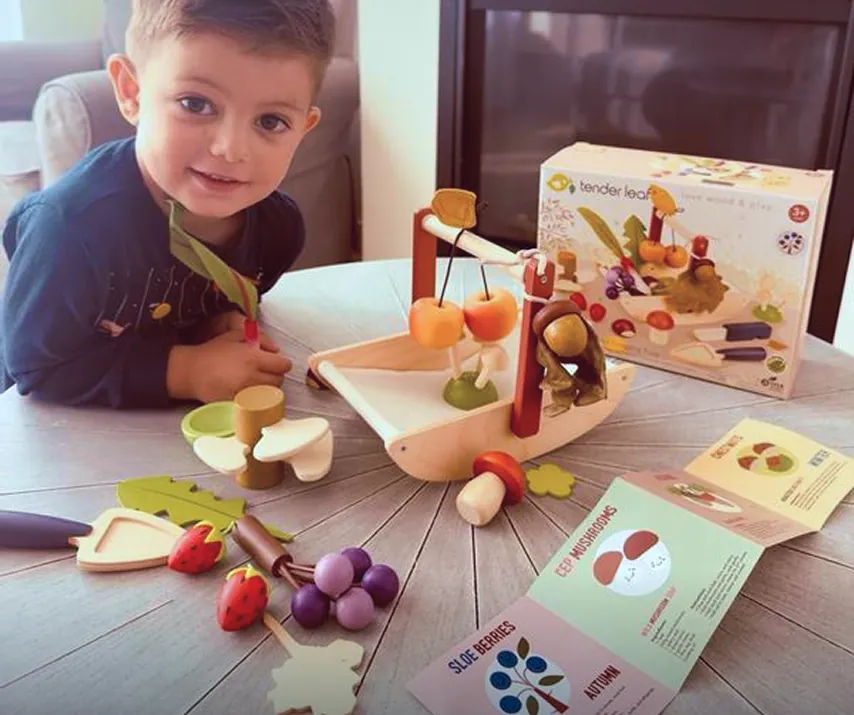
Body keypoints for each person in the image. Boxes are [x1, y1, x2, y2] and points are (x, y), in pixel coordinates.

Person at [0, 0, 335, 407]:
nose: (230, 148)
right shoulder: (67, 230)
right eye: (196, 104)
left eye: (270, 121)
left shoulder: (278, 232)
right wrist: (186, 372)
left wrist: (215, 323)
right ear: (132, 92)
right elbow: (35, 369)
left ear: (303, 129)